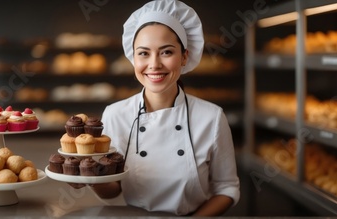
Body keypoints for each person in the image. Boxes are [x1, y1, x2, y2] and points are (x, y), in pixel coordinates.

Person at [79, 0, 240, 216]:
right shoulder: (115, 115)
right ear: (133, 58)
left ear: (184, 56)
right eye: (143, 53)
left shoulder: (211, 117)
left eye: (166, 52)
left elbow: (227, 188)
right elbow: (113, 190)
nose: (154, 64)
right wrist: (91, 177)